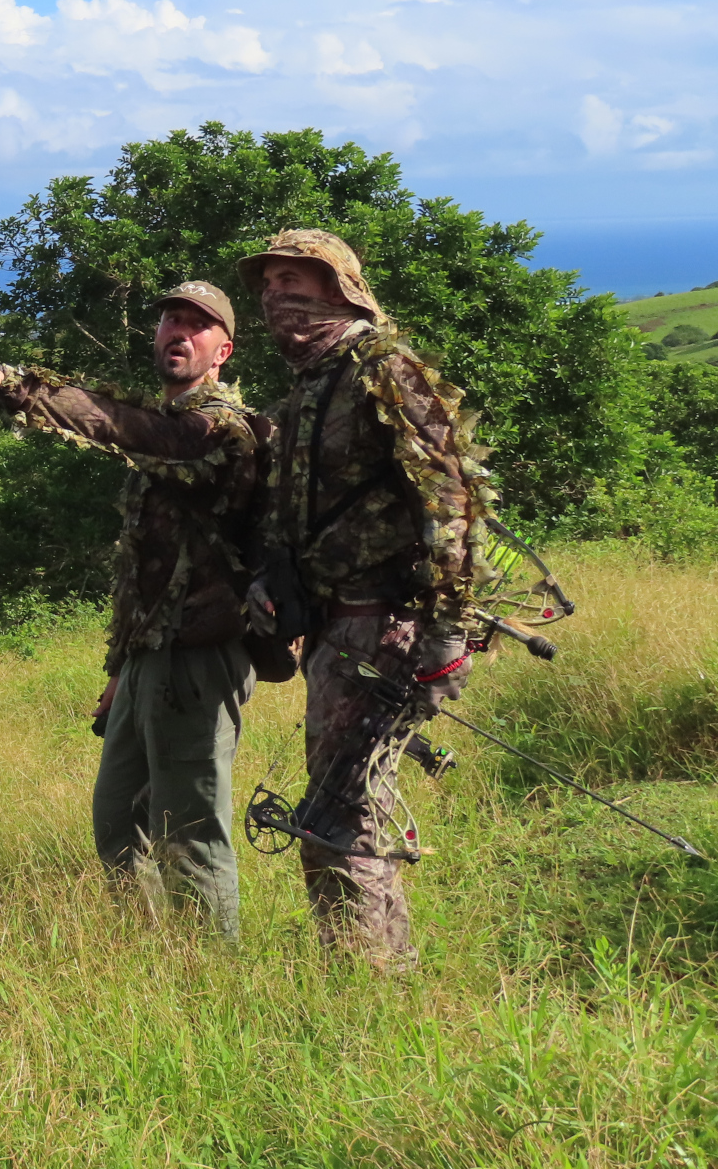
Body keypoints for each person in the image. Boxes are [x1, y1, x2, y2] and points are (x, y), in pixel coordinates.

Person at [0, 282, 274, 938]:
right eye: (170, 321)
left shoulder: (221, 432)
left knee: (192, 836)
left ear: (222, 350)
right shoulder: (167, 435)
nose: (178, 331)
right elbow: (149, 571)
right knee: (120, 824)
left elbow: (123, 424)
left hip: (201, 660)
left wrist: (11, 382)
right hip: (151, 661)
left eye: (196, 326)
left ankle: (214, 981)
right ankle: (147, 960)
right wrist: (123, 666)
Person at [238, 229, 488, 968]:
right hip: (334, 634)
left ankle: (366, 983)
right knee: (345, 809)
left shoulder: (384, 369)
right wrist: (270, 582)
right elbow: (301, 513)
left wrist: (448, 634)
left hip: (387, 630)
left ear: (341, 286)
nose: (278, 296)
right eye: (269, 284)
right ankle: (378, 973)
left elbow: (453, 499)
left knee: (337, 816)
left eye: (297, 279)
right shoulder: (313, 385)